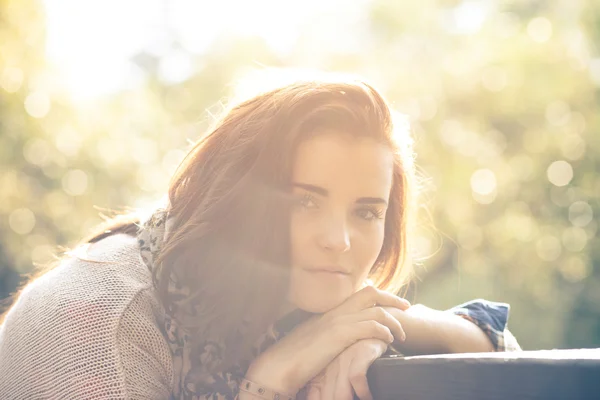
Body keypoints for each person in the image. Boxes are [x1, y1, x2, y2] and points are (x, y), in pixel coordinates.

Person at [0, 72, 520, 400]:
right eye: (305, 201)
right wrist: (272, 380)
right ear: (235, 196)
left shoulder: (294, 300)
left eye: (366, 212)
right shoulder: (96, 328)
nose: (338, 240)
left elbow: (503, 345)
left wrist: (370, 326)